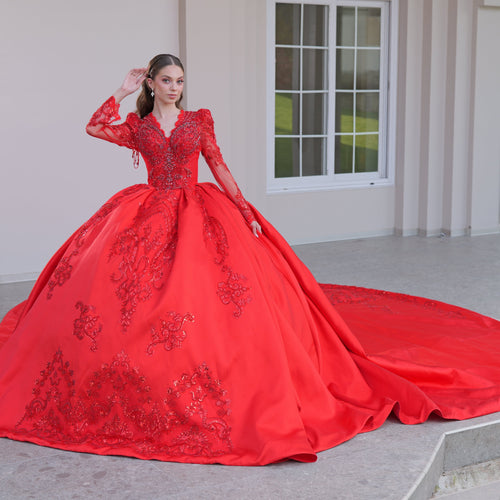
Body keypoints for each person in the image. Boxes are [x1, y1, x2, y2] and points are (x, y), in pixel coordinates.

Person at [0, 54, 500, 466]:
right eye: (165, 80)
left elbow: (218, 165)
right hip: (147, 209)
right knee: (121, 296)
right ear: (152, 83)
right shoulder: (136, 124)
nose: (174, 88)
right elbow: (94, 126)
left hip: (198, 208)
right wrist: (123, 88)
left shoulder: (199, 120)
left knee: (209, 297)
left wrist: (244, 212)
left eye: (179, 81)